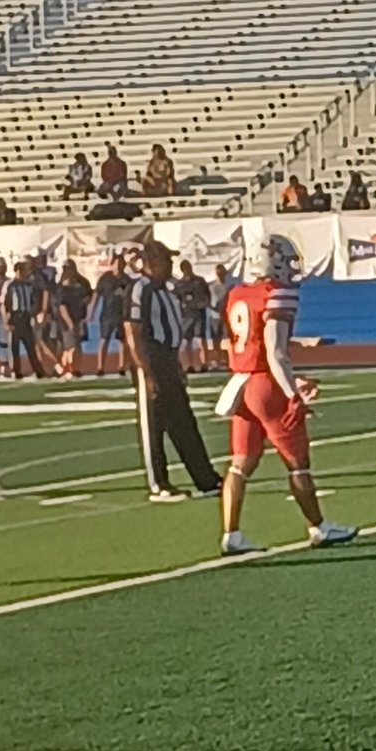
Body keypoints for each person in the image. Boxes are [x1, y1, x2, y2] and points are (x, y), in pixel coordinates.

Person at [215, 234, 357, 554]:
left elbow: (252, 343)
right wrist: (293, 393)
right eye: (287, 260)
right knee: (298, 463)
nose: (291, 268)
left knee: (240, 464)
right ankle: (319, 527)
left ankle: (231, 534)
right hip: (266, 385)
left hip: (240, 383)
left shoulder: (238, 293)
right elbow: (275, 352)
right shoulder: (277, 293)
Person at [124, 239, 223, 501]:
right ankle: (159, 483)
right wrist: (146, 372)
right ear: (152, 263)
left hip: (167, 358)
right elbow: (133, 331)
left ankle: (206, 479)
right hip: (151, 358)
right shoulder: (140, 289)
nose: (170, 265)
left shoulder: (166, 290)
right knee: (154, 424)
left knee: (183, 420)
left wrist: (176, 364)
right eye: (166, 260)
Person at [2, 259, 45, 379]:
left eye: (24, 270)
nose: (22, 272)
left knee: (31, 346)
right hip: (15, 317)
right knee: (14, 347)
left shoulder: (29, 285)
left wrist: (34, 312)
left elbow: (36, 299)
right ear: (16, 271)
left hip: (26, 318)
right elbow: (4, 304)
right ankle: (16, 371)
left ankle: (38, 370)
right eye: (20, 270)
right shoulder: (10, 285)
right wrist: (6, 321)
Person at [90, 253, 128, 376]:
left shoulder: (127, 280)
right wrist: (91, 311)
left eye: (121, 264)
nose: (119, 266)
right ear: (112, 265)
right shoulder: (105, 279)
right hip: (107, 314)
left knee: (122, 341)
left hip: (122, 315)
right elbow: (96, 295)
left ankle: (122, 366)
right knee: (104, 339)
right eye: (117, 264)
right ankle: (100, 367)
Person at [56, 260, 93, 378]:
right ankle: (69, 368)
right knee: (71, 346)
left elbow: (90, 295)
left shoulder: (83, 282)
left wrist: (85, 304)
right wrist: (70, 322)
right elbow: (62, 306)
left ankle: (75, 368)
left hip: (79, 318)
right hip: (66, 321)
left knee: (77, 345)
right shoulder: (62, 287)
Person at [174, 259, 211, 374]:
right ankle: (188, 365)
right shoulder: (179, 284)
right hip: (186, 316)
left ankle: (203, 364)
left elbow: (207, 296)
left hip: (199, 314)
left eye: (188, 267)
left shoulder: (199, 281)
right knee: (186, 341)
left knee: (200, 339)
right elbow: (176, 300)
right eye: (185, 268)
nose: (187, 270)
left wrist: (202, 305)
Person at [208, 262, 233, 368]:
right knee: (216, 339)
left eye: (222, 272)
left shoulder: (230, 286)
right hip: (215, 316)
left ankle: (227, 359)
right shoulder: (212, 286)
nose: (220, 274)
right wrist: (214, 308)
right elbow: (209, 301)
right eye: (218, 272)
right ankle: (216, 360)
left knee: (228, 338)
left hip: (227, 315)